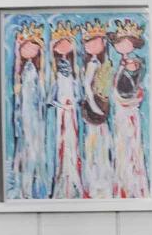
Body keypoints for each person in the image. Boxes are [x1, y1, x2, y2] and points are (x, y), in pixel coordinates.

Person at [8, 19, 51, 200]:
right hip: (24, 113)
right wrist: (17, 53)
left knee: (36, 146)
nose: (30, 51)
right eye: (26, 48)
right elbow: (17, 90)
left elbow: (42, 89)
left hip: (35, 113)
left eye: (34, 48)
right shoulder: (22, 71)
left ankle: (37, 184)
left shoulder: (38, 71)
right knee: (25, 146)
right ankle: (25, 185)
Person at [76, 20, 119, 198]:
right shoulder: (92, 63)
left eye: (97, 41)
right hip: (95, 111)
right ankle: (97, 184)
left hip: (101, 107)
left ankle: (103, 182)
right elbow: (87, 87)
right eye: (89, 42)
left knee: (102, 144)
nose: (93, 45)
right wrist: (94, 107)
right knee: (97, 145)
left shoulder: (103, 62)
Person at [110, 19, 152, 198]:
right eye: (119, 43)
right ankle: (123, 183)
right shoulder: (121, 63)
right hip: (121, 109)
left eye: (125, 43)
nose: (121, 46)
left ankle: (133, 184)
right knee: (121, 144)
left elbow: (131, 86)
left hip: (129, 108)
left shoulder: (135, 63)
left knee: (131, 143)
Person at [49, 22, 88, 199]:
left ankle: (74, 181)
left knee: (73, 146)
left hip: (72, 115)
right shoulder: (55, 77)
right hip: (61, 115)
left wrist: (72, 105)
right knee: (62, 145)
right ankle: (62, 182)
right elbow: (50, 99)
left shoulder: (74, 76)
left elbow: (79, 96)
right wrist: (62, 106)